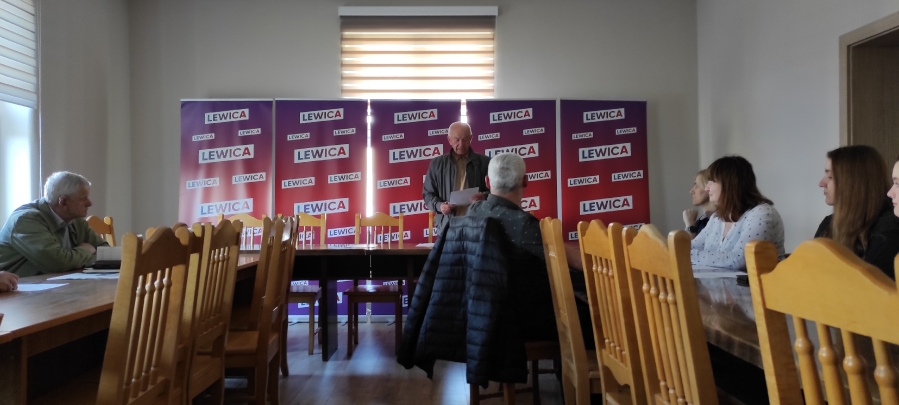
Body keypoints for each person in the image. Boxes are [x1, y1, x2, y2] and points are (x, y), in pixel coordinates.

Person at [467, 153, 586, 343]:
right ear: (525, 181)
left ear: (487, 181)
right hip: (529, 320)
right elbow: (579, 262)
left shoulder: (474, 210)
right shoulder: (524, 224)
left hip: (485, 316)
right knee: (610, 322)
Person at [0, 171, 108, 277]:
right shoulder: (26, 220)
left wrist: (76, 260)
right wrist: (86, 251)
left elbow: (106, 252)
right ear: (63, 202)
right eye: (83, 199)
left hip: (58, 283)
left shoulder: (76, 220)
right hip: (19, 286)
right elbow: (57, 263)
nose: (89, 203)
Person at [815, 146, 899, 279]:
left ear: (854, 182)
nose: (821, 183)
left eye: (830, 176)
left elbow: (865, 286)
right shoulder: (828, 223)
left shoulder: (888, 231)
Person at [691, 156, 785, 270]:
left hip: (758, 282)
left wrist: (686, 255)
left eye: (713, 181)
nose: (707, 188)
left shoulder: (762, 213)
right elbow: (691, 246)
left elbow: (738, 260)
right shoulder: (717, 218)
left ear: (730, 184)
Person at [422, 122, 490, 233]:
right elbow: (428, 194)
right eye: (457, 140)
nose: (461, 144)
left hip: (477, 225)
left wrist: (484, 196)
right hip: (447, 226)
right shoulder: (437, 164)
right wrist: (440, 206)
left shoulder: (485, 162)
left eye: (465, 139)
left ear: (471, 138)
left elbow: (496, 192)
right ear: (449, 140)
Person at [683, 169, 716, 238]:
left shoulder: (723, 221)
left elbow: (689, 245)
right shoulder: (701, 221)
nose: (691, 191)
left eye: (696, 185)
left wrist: (690, 225)